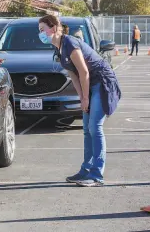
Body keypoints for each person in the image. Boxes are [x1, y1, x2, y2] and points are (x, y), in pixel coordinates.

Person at [38, 14, 121, 187]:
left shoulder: (70, 43)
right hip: (89, 85)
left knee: (94, 127)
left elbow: (84, 72)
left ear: (53, 28)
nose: (40, 34)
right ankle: (85, 171)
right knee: (86, 129)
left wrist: (85, 98)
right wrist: (81, 98)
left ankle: (96, 176)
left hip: (102, 82)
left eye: (42, 30)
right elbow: (74, 76)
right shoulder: (59, 49)